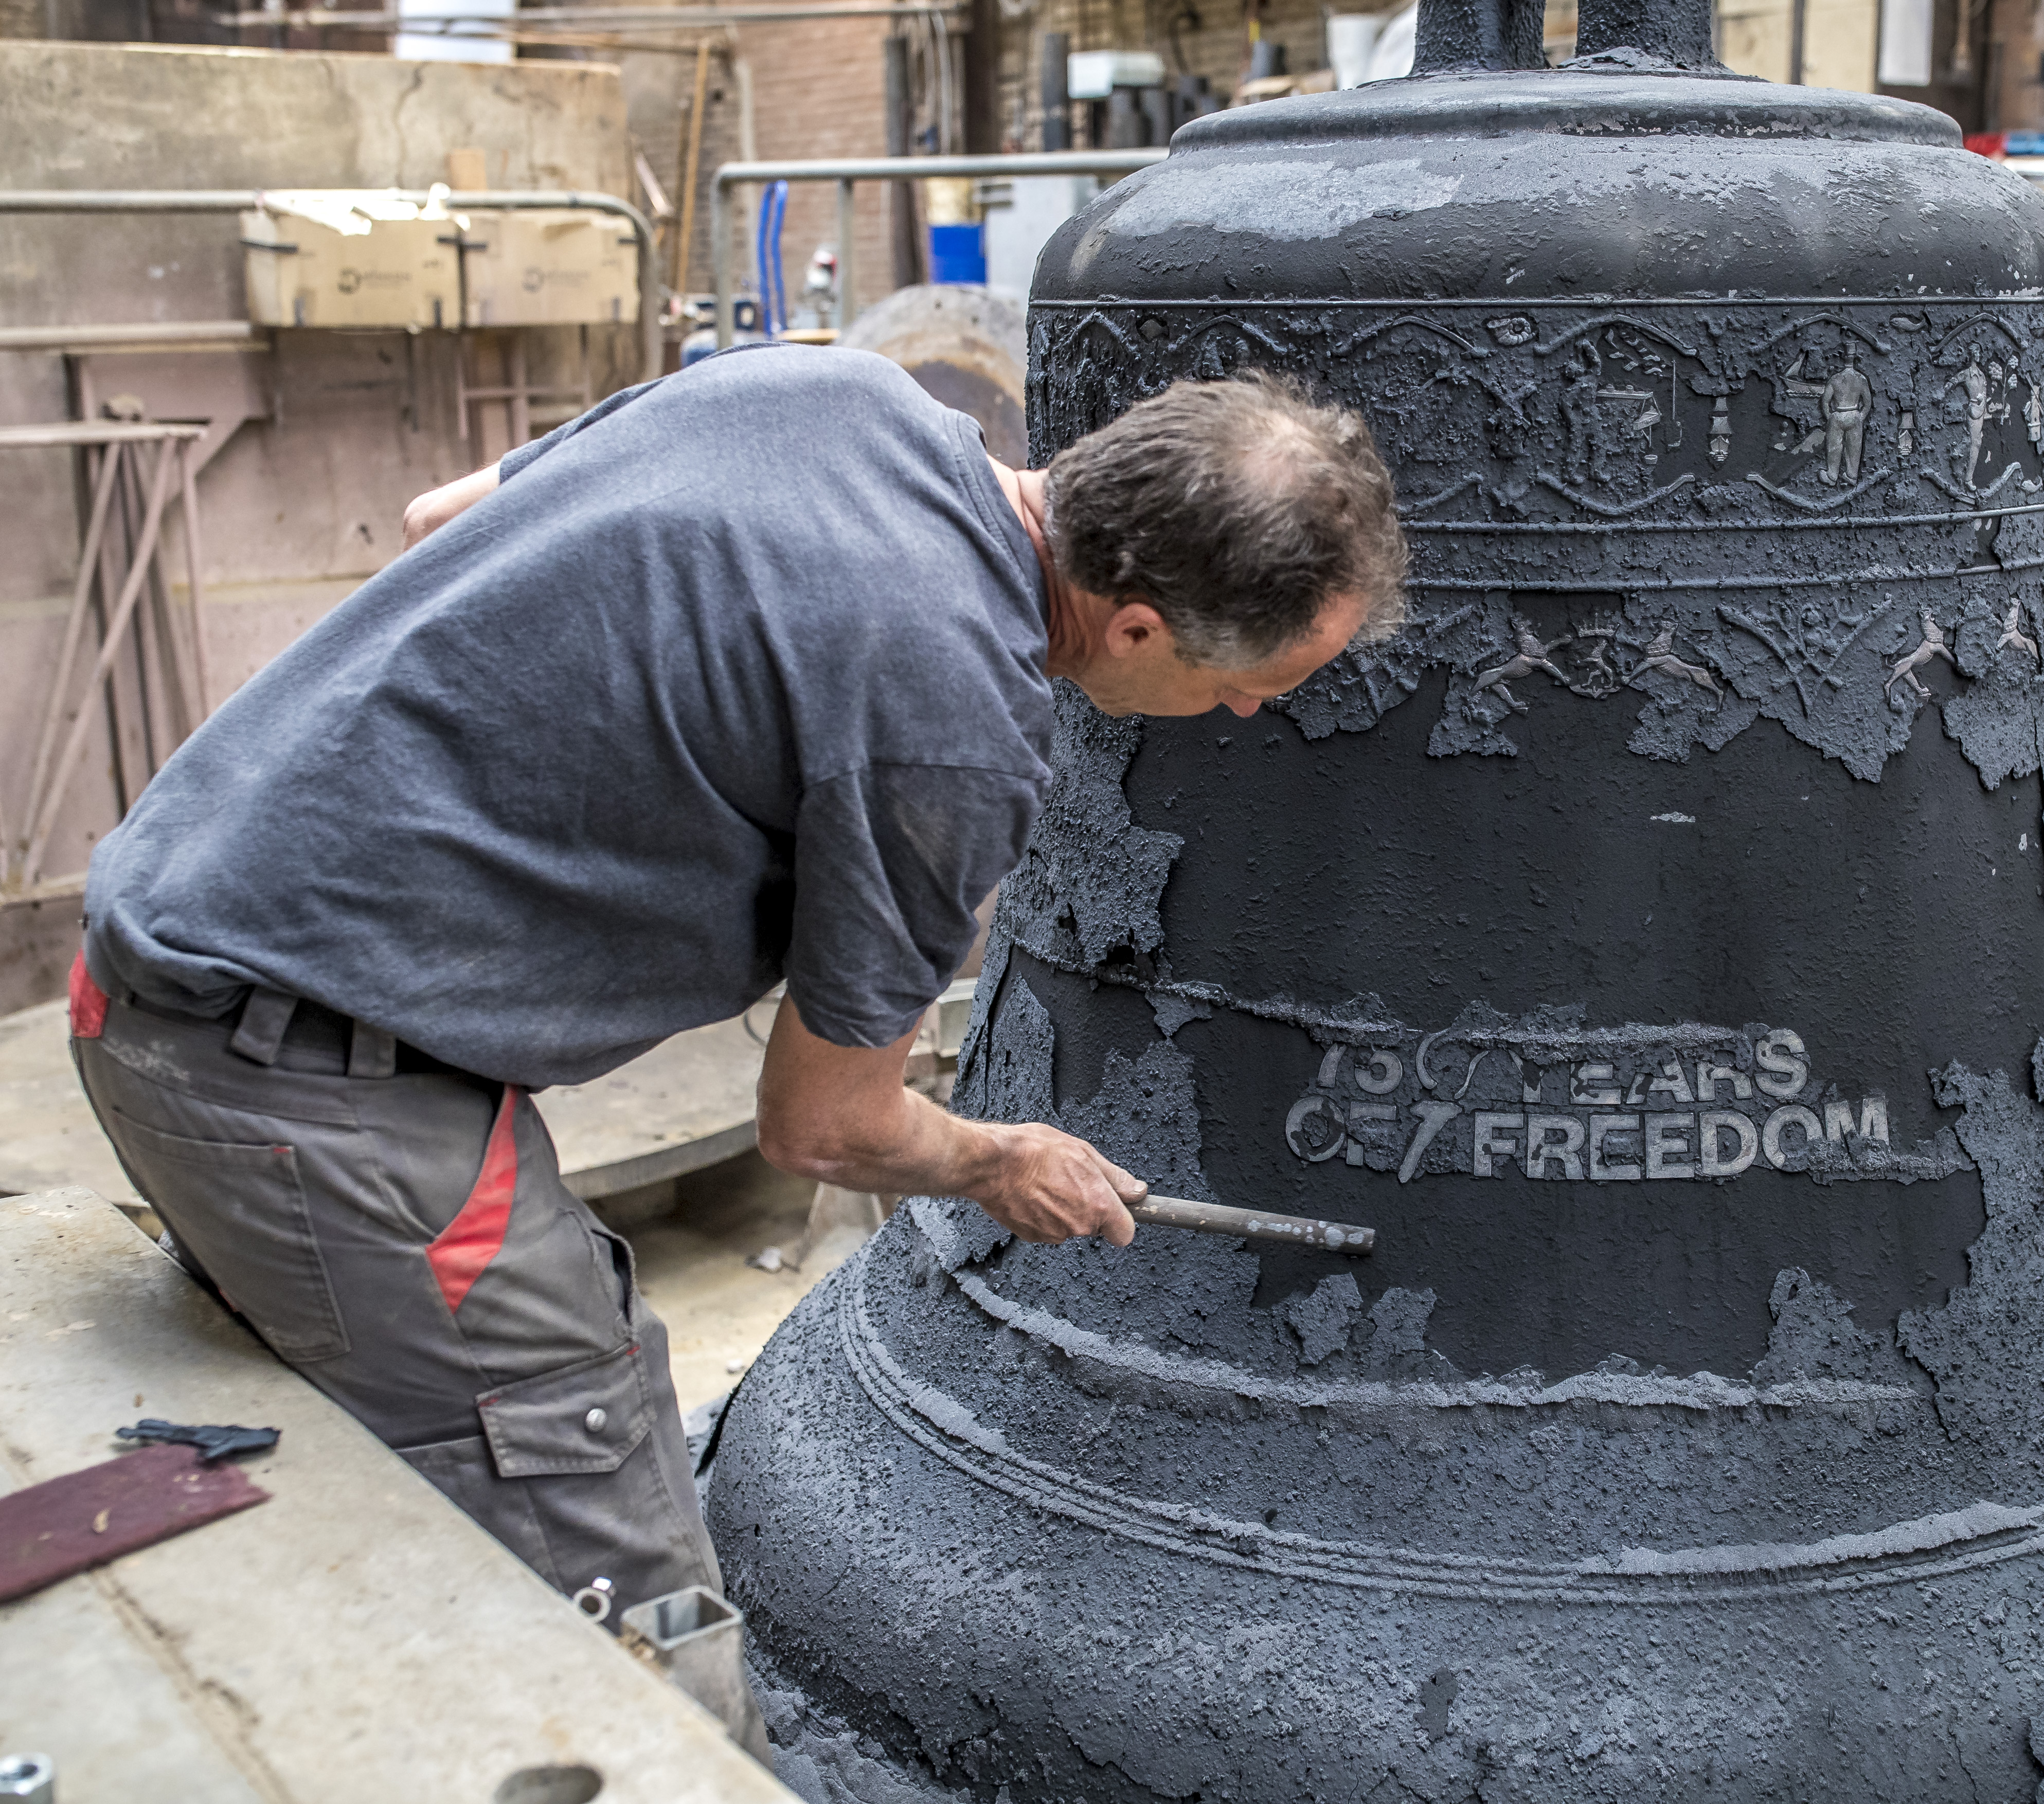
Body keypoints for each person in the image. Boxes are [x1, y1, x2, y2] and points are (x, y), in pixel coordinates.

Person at [66, 348, 1405, 1720]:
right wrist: (1002, 1160)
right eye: (1252, 679)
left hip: (153, 934)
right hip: (293, 1073)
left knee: (434, 1433)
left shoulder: (835, 394)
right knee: (602, 1504)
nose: (1248, 712)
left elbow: (443, 525)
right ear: (1133, 627)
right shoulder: (955, 733)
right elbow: (824, 1125)